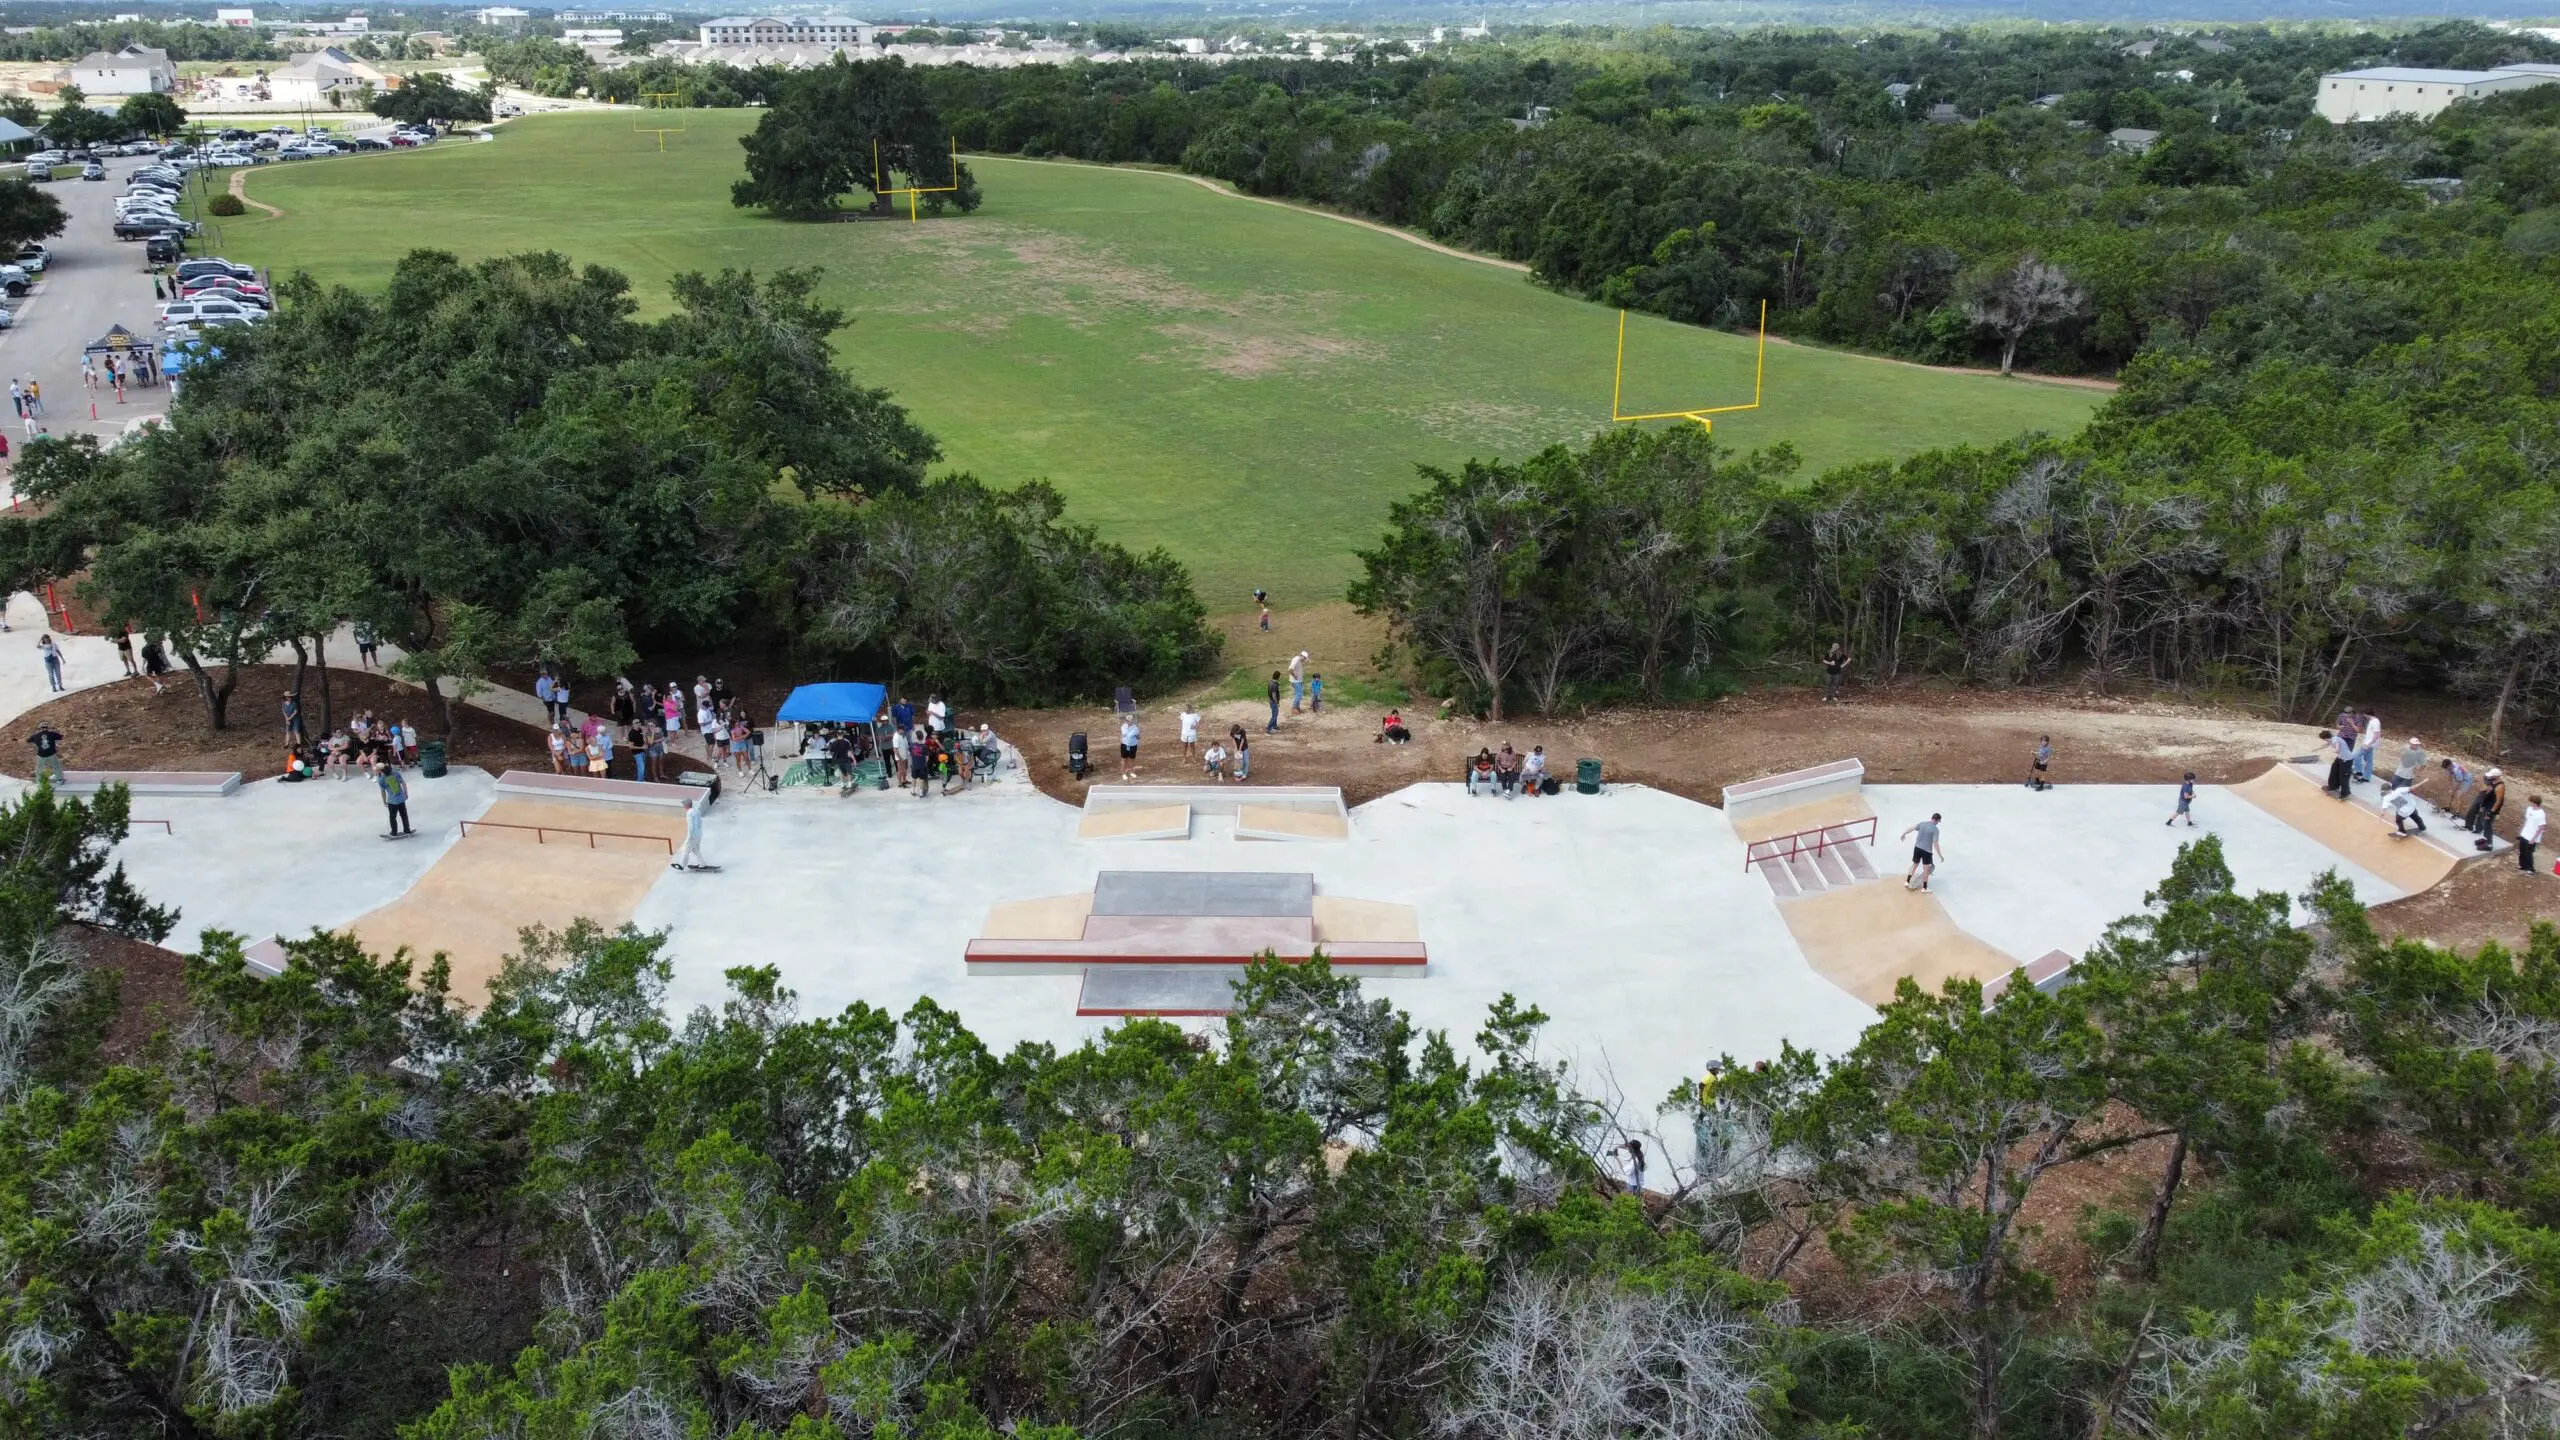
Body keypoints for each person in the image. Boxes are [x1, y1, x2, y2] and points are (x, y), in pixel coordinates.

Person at [1902, 812, 1944, 891]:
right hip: (1927, 852)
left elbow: (1912, 828)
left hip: (1917, 848)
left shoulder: (1922, 824)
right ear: (1937, 820)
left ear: (1932, 818)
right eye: (1938, 821)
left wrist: (1904, 833)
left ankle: (1907, 882)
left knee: (1914, 865)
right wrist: (1940, 855)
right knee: (1926, 869)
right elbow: (1935, 843)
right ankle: (1924, 888)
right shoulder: (1935, 830)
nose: (1938, 823)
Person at [2470, 769, 2508, 850]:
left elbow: (2499, 801)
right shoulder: (2492, 782)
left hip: (2491, 808)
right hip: (2486, 805)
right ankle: (2485, 839)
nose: (2490, 777)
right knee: (2483, 822)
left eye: (2492, 776)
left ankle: (2489, 844)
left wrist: (2491, 812)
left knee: (2487, 825)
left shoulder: (2500, 787)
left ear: (2496, 776)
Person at [671, 794, 710, 870]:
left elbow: (691, 827)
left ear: (686, 806)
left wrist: (689, 837)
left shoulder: (689, 813)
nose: (683, 806)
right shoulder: (696, 810)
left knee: (685, 849)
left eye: (683, 804)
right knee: (696, 850)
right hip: (699, 834)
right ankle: (702, 864)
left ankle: (682, 865)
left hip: (693, 836)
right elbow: (700, 821)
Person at [378, 763, 412, 836]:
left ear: (381, 771)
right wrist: (405, 793)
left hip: (392, 801)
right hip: (401, 799)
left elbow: (383, 792)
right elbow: (403, 783)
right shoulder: (396, 773)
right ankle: (407, 830)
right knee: (404, 815)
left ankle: (394, 832)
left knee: (392, 817)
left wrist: (384, 801)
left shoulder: (382, 779)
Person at [2320, 728, 2354, 801]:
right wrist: (2321, 747)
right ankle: (2333, 786)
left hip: (2347, 760)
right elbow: (2328, 744)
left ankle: (2345, 793)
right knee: (2334, 771)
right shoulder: (2332, 739)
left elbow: (2337, 744)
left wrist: (2337, 750)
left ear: (2326, 738)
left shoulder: (2335, 740)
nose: (2324, 740)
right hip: (2340, 758)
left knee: (2343, 776)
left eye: (2324, 739)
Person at [2521, 794, 2546, 875]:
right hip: (2525, 834)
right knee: (2522, 851)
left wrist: (2533, 839)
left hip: (2532, 837)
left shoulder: (2541, 813)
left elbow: (2541, 827)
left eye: (2531, 802)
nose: (2530, 803)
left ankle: (2531, 870)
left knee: (2528, 853)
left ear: (2535, 803)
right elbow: (2526, 820)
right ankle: (2523, 865)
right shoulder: (2529, 809)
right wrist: (2522, 831)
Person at [2355, 711, 2383, 784]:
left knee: (2357, 756)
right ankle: (2366, 778)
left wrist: (2368, 744)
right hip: (2371, 743)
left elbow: (2377, 735)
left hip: (2369, 744)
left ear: (2366, 714)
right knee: (2369, 761)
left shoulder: (2374, 722)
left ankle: (2359, 772)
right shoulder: (2375, 721)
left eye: (2364, 714)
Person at [1118, 714, 1140, 780]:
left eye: (1129, 720)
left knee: (1132, 759)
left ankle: (1131, 772)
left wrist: (1135, 736)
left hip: (1133, 745)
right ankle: (1123, 773)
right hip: (1124, 745)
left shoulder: (1135, 728)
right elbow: (1122, 734)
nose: (1128, 722)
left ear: (1132, 721)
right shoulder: (1123, 726)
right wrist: (1122, 739)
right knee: (1124, 759)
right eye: (1127, 720)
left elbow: (1138, 737)